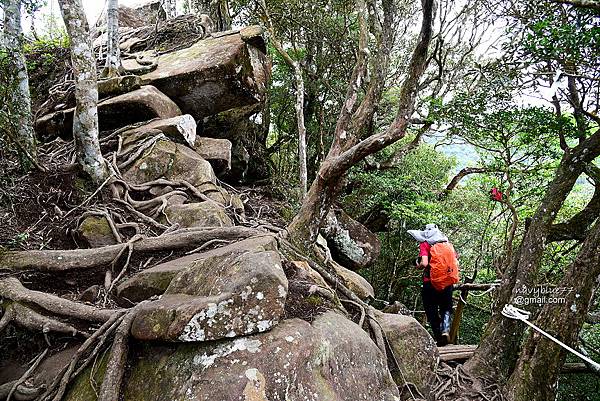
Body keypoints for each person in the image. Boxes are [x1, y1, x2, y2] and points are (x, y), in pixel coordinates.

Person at [408, 223, 455, 346]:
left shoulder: (425, 243)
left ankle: (439, 339)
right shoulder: (446, 243)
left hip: (430, 283)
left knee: (431, 310)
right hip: (446, 282)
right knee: (446, 307)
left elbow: (424, 263)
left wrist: (417, 266)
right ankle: (445, 329)